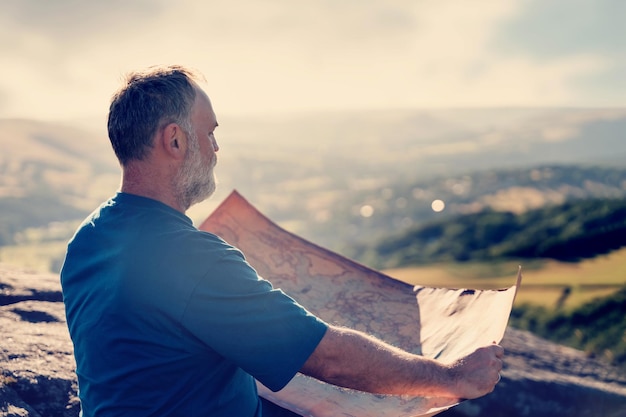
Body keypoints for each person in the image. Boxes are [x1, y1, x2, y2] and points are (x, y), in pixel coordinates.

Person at [60, 65, 504, 417]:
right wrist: (450, 376)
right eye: (210, 132)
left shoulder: (88, 239)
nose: (216, 149)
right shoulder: (190, 259)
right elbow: (328, 359)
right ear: (174, 140)